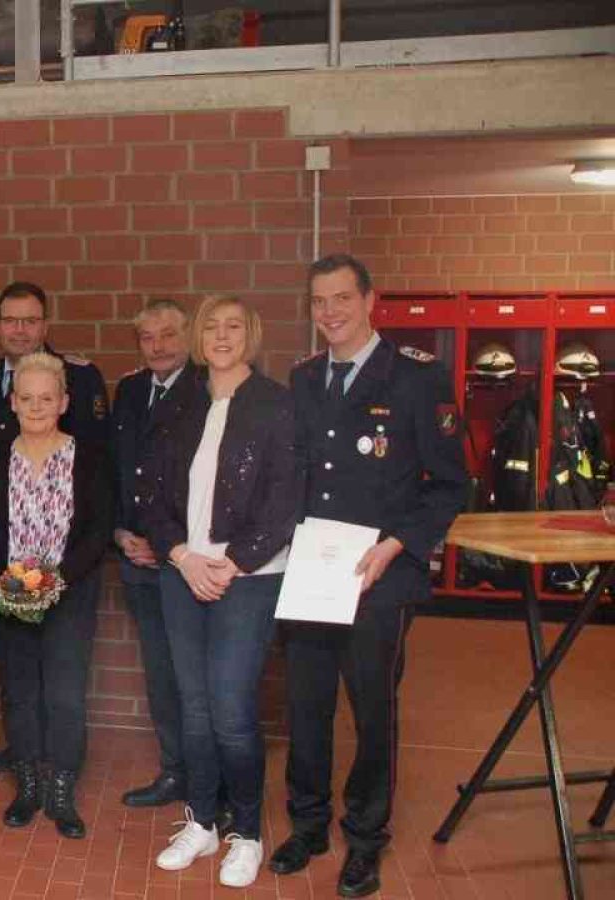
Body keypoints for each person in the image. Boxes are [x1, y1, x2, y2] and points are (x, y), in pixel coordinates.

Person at [272, 255, 467, 898]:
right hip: (310, 577)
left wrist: (397, 545)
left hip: (378, 577)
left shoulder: (417, 378)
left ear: (370, 300)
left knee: (373, 710)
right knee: (306, 706)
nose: (329, 312)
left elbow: (448, 486)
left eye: (341, 299)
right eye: (318, 301)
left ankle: (364, 838)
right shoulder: (303, 379)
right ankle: (307, 825)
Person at [138, 295, 301, 888]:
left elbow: (285, 503)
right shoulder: (182, 405)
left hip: (249, 580)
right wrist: (182, 556)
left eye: (235, 326)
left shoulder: (276, 405)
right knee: (196, 709)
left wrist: (229, 564)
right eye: (212, 326)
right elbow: (150, 498)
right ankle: (202, 821)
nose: (222, 335)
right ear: (198, 338)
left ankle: (248, 833)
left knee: (231, 712)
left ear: (252, 336)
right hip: (183, 575)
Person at [0, 281, 109, 775]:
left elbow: (95, 521)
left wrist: (55, 581)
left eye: (46, 398)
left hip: (67, 583)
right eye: (26, 398)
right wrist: (0, 579)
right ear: (13, 402)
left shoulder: (84, 430)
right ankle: (27, 772)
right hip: (8, 584)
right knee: (19, 687)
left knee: (65, 690)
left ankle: (62, 780)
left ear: (63, 400)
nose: (35, 405)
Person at [110, 299, 199, 808]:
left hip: (186, 561)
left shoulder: (207, 389)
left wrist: (167, 545)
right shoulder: (129, 390)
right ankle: (175, 772)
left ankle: (211, 781)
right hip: (136, 558)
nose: (159, 346)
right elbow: (119, 470)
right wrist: (122, 535)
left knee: (196, 675)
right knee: (161, 674)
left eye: (168, 335)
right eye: (148, 337)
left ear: (187, 336)